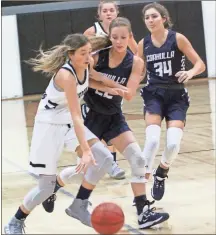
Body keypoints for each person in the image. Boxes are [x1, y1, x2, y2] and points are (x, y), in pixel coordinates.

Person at [43, 17, 170, 229]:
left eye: (123, 37)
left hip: (113, 117)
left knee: (138, 160)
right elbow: (83, 79)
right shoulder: (96, 56)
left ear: (130, 37)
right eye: (115, 37)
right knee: (85, 170)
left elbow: (128, 94)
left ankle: (143, 212)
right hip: (90, 116)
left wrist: (102, 81)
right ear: (109, 38)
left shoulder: (135, 62)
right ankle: (54, 184)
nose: (119, 41)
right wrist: (103, 81)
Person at [4, 33, 129, 234]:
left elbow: (93, 80)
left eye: (89, 52)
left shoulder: (86, 66)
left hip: (67, 121)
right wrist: (86, 150)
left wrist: (117, 89)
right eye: (83, 53)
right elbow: (77, 115)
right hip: (49, 126)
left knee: (104, 158)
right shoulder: (66, 75)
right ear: (70, 55)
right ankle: (15, 221)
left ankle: (78, 205)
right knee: (45, 186)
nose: (88, 57)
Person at [137, 2, 206, 201]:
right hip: (154, 95)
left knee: (173, 145)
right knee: (151, 141)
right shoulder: (143, 44)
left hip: (177, 96)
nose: (150, 20)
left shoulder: (178, 38)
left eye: (154, 16)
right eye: (147, 17)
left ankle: (162, 172)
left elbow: (200, 64)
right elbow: (137, 71)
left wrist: (190, 72)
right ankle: (142, 184)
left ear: (164, 18)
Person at [83, 0, 138, 179]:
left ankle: (112, 164)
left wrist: (133, 77)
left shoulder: (124, 33)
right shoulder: (92, 34)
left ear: (117, 13)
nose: (108, 13)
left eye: (111, 10)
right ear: (99, 14)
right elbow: (82, 68)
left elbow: (136, 57)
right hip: (92, 98)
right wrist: (99, 78)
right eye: (104, 10)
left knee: (112, 123)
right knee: (87, 162)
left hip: (113, 100)